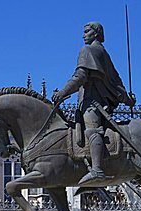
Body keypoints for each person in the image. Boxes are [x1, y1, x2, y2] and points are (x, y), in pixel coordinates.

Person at [52, 21, 136, 186]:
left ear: (96, 33)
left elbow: (80, 77)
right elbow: (116, 83)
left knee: (92, 130)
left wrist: (62, 92)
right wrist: (128, 100)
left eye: (86, 31)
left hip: (92, 103)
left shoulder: (88, 51)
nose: (83, 35)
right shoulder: (104, 54)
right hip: (103, 103)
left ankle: (97, 169)